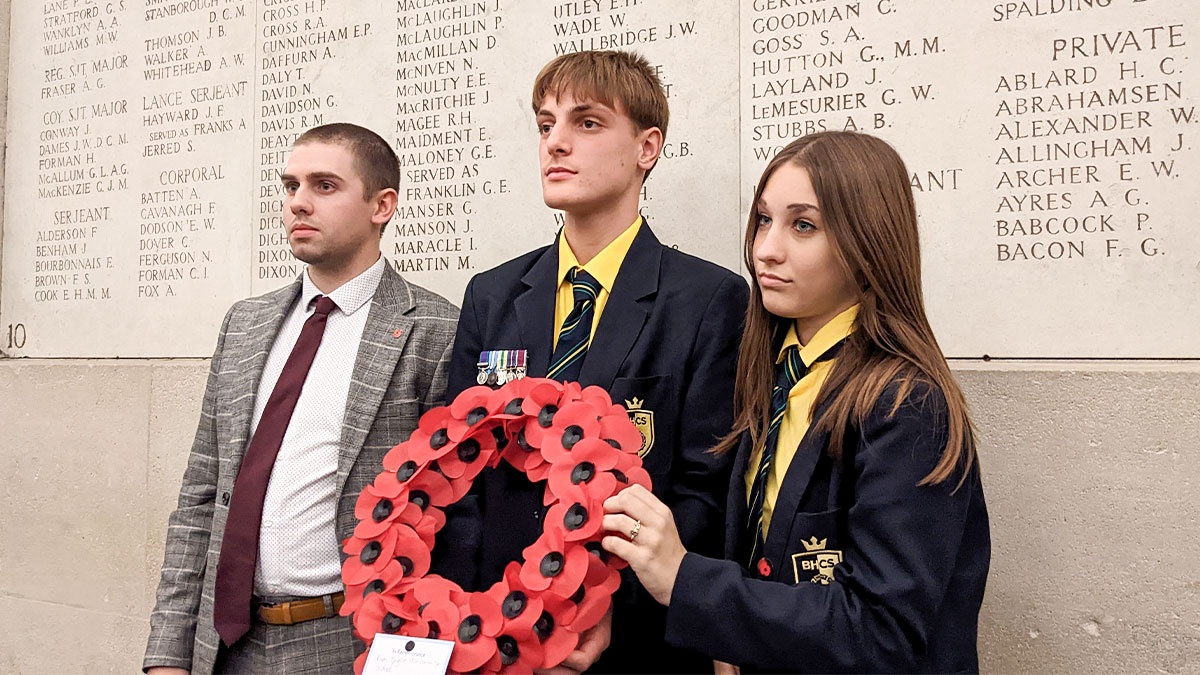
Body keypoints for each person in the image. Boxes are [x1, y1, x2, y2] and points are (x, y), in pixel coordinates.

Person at [601, 131, 991, 673]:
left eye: (802, 225)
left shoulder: (906, 405)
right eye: (763, 220)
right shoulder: (768, 375)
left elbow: (882, 632)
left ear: (867, 242)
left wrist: (685, 578)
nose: (766, 249)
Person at [437, 50, 749, 673]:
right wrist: (465, 617)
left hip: (632, 639)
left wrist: (601, 604)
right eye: (545, 124)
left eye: (586, 123)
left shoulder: (707, 299)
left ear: (647, 147)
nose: (555, 143)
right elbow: (457, 472)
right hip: (494, 633)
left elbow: (702, 490)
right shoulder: (492, 295)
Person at [143, 123, 458, 675]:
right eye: (290, 186)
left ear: (382, 205)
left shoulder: (434, 330)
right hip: (225, 645)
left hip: (346, 640)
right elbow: (200, 495)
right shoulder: (246, 323)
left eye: (325, 185)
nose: (298, 203)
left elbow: (448, 513)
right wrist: (168, 654)